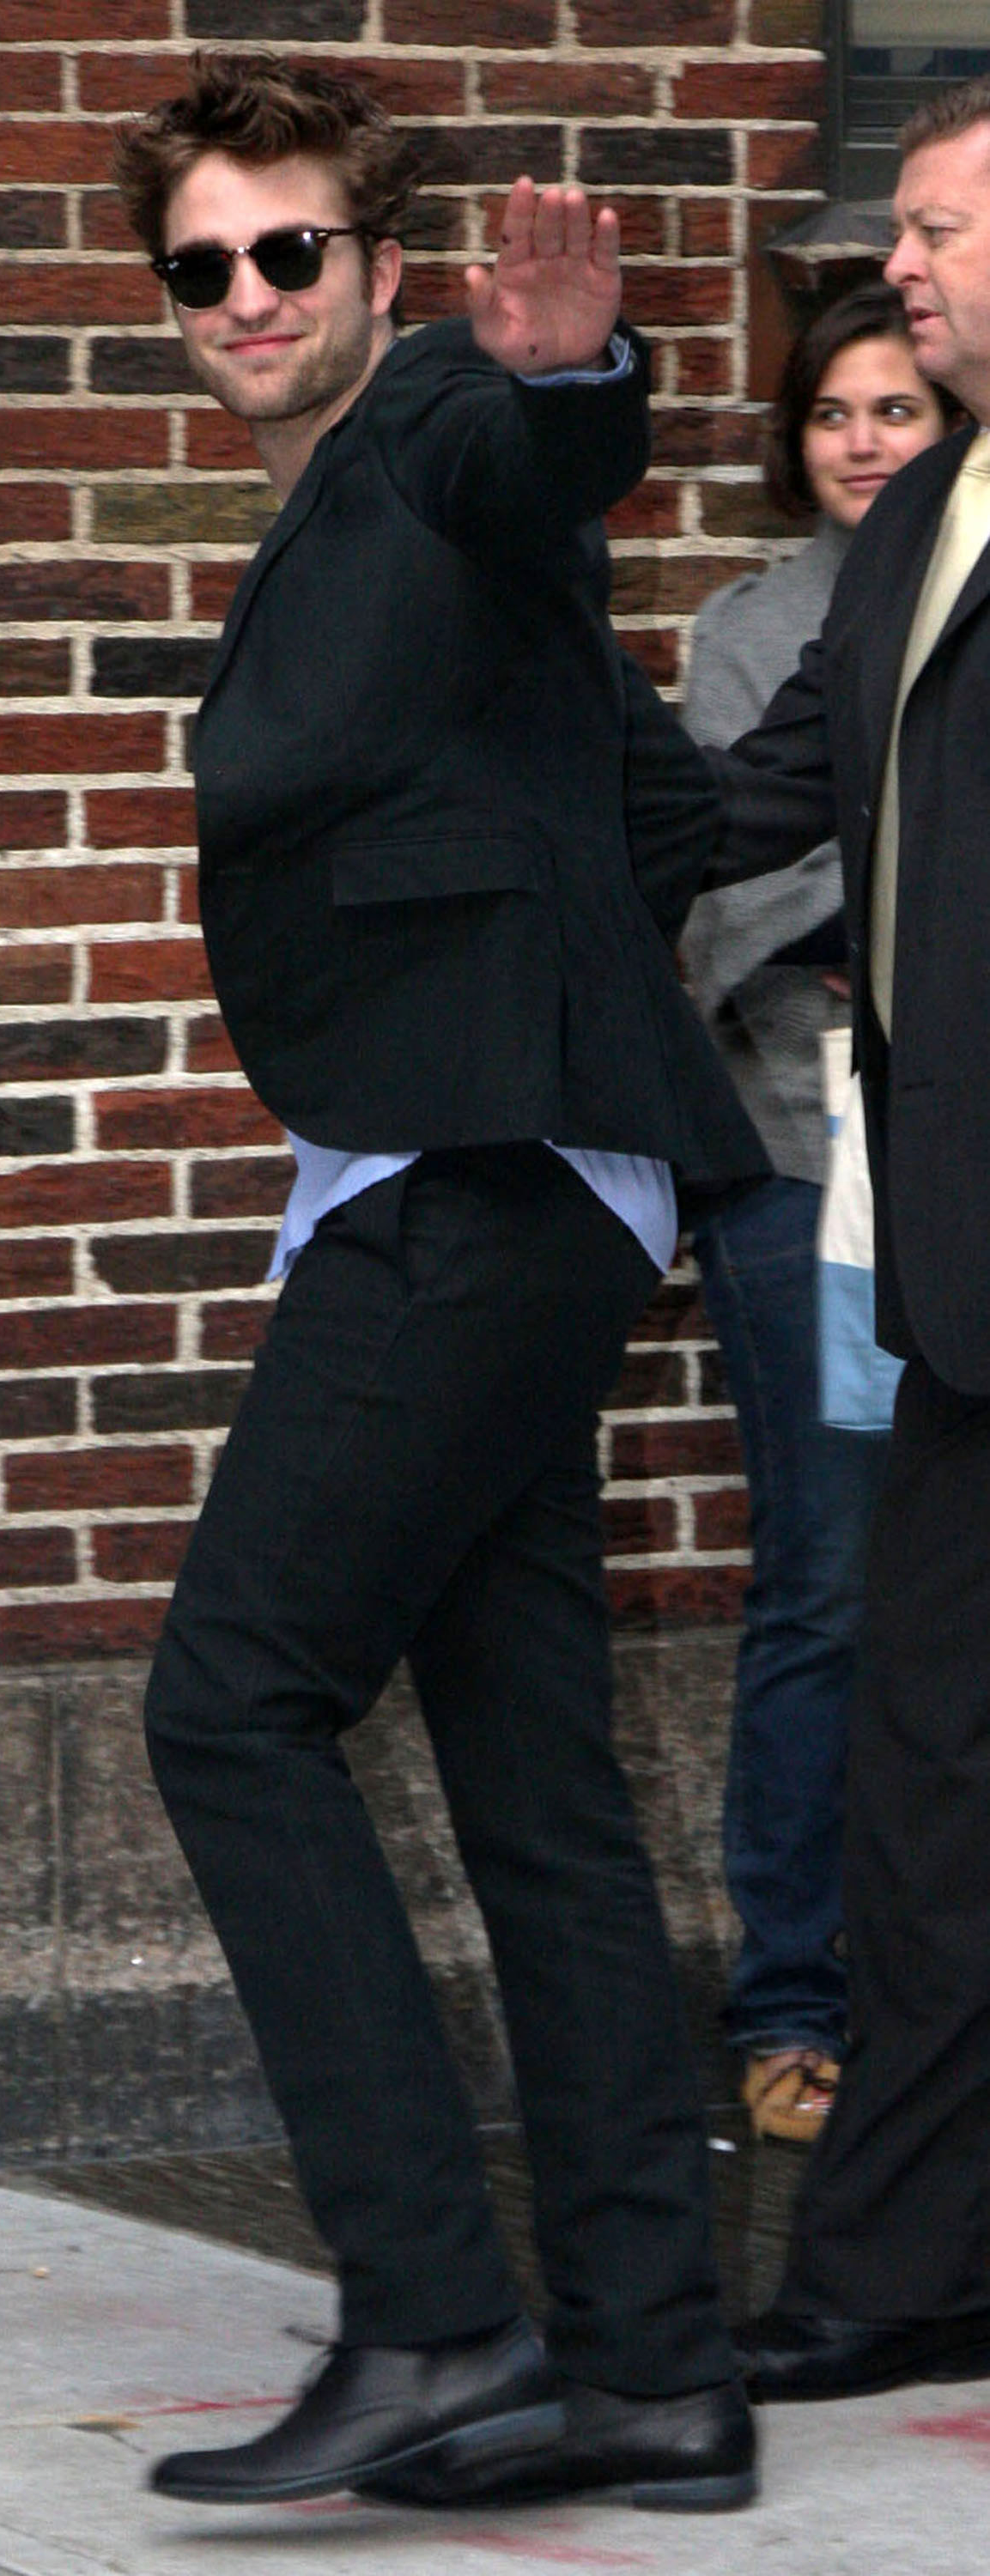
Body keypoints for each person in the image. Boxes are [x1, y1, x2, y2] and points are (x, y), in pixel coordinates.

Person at [112, 50, 768, 2513]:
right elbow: (667, 795)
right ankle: (651, 2369)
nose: (245, 295)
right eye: (201, 266)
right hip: (504, 1169)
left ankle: (424, 2311)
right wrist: (578, 930)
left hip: (474, 1184)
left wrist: (576, 378)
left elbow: (540, 456)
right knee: (533, 1783)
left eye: (287, 250)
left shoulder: (428, 443)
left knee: (231, 1704)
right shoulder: (355, 516)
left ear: (379, 269)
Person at [708, 76, 990, 2400]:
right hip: (956, 1280)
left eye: (935, 229)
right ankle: (906, 2270)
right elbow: (750, 793)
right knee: (928, 1777)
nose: (892, 267)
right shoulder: (923, 527)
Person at [681, 286, 950, 2147]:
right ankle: (793, 1997)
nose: (862, 440)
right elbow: (732, 894)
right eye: (833, 412)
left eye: (897, 409)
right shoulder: (750, 628)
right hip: (801, 1158)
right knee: (829, 1586)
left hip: (965, 1157)